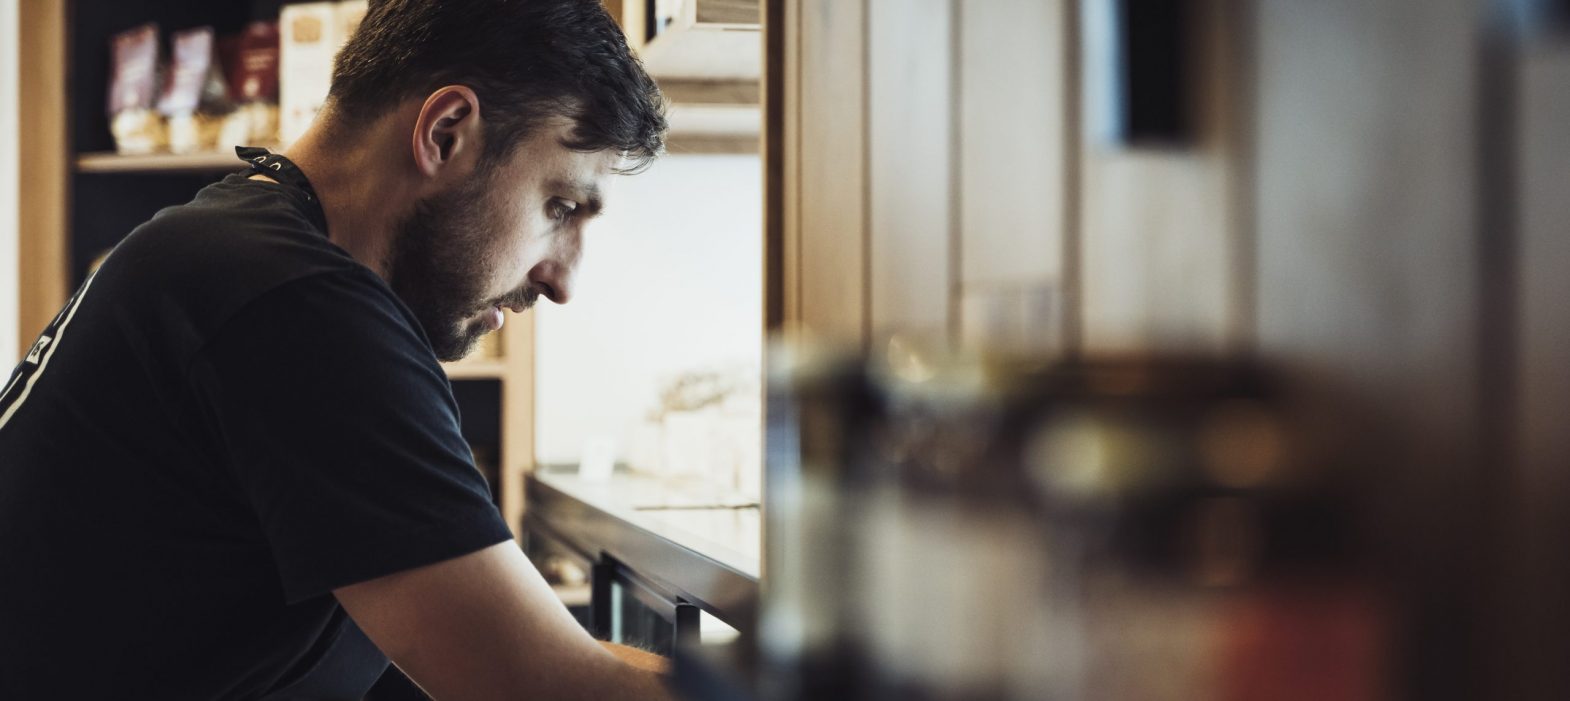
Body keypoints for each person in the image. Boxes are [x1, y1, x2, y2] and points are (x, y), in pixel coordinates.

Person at [0, 1, 673, 698]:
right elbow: (547, 688)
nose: (561, 279)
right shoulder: (291, 300)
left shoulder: (239, 248)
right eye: (559, 206)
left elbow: (495, 654)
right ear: (446, 133)